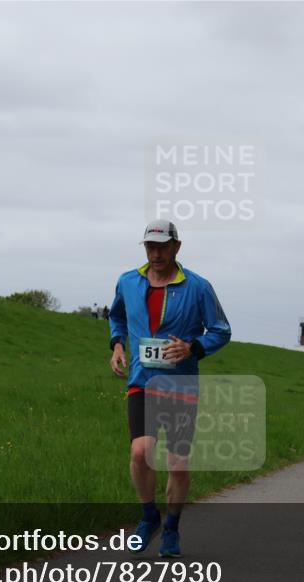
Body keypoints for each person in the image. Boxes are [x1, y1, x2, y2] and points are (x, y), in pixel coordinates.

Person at [108, 219, 231, 557]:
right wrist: (117, 345)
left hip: (180, 385)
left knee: (178, 462)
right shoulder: (128, 281)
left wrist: (192, 347)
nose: (157, 253)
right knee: (139, 452)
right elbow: (116, 316)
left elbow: (221, 330)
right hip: (142, 382)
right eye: (151, 246)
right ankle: (149, 518)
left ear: (177, 246)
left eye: (163, 247)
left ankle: (173, 527)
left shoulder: (198, 287)